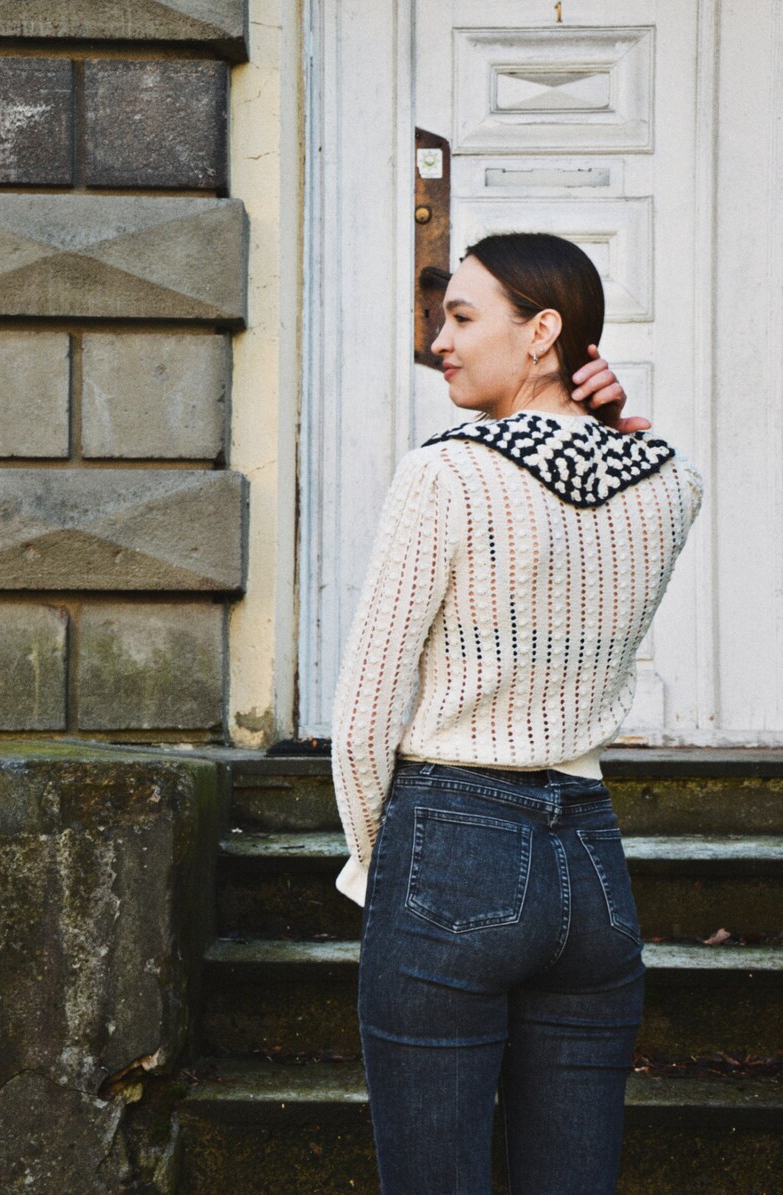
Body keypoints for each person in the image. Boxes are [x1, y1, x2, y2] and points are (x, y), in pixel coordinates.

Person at [331, 233, 702, 1194]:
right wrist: (609, 425)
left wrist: (384, 865)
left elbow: (368, 707)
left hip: (448, 842)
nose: (439, 342)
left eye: (460, 317)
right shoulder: (668, 484)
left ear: (542, 333)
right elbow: (634, 468)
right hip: (593, 865)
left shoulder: (445, 473)